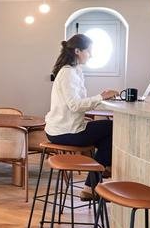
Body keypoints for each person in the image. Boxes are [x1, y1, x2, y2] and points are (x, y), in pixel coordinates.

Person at [44, 34, 119, 200]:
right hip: (63, 131)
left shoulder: (76, 71)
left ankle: (95, 179)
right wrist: (101, 97)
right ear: (77, 51)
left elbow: (79, 102)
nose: (91, 55)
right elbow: (75, 105)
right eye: (89, 51)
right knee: (111, 128)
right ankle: (99, 174)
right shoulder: (68, 73)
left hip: (65, 128)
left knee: (106, 131)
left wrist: (104, 99)